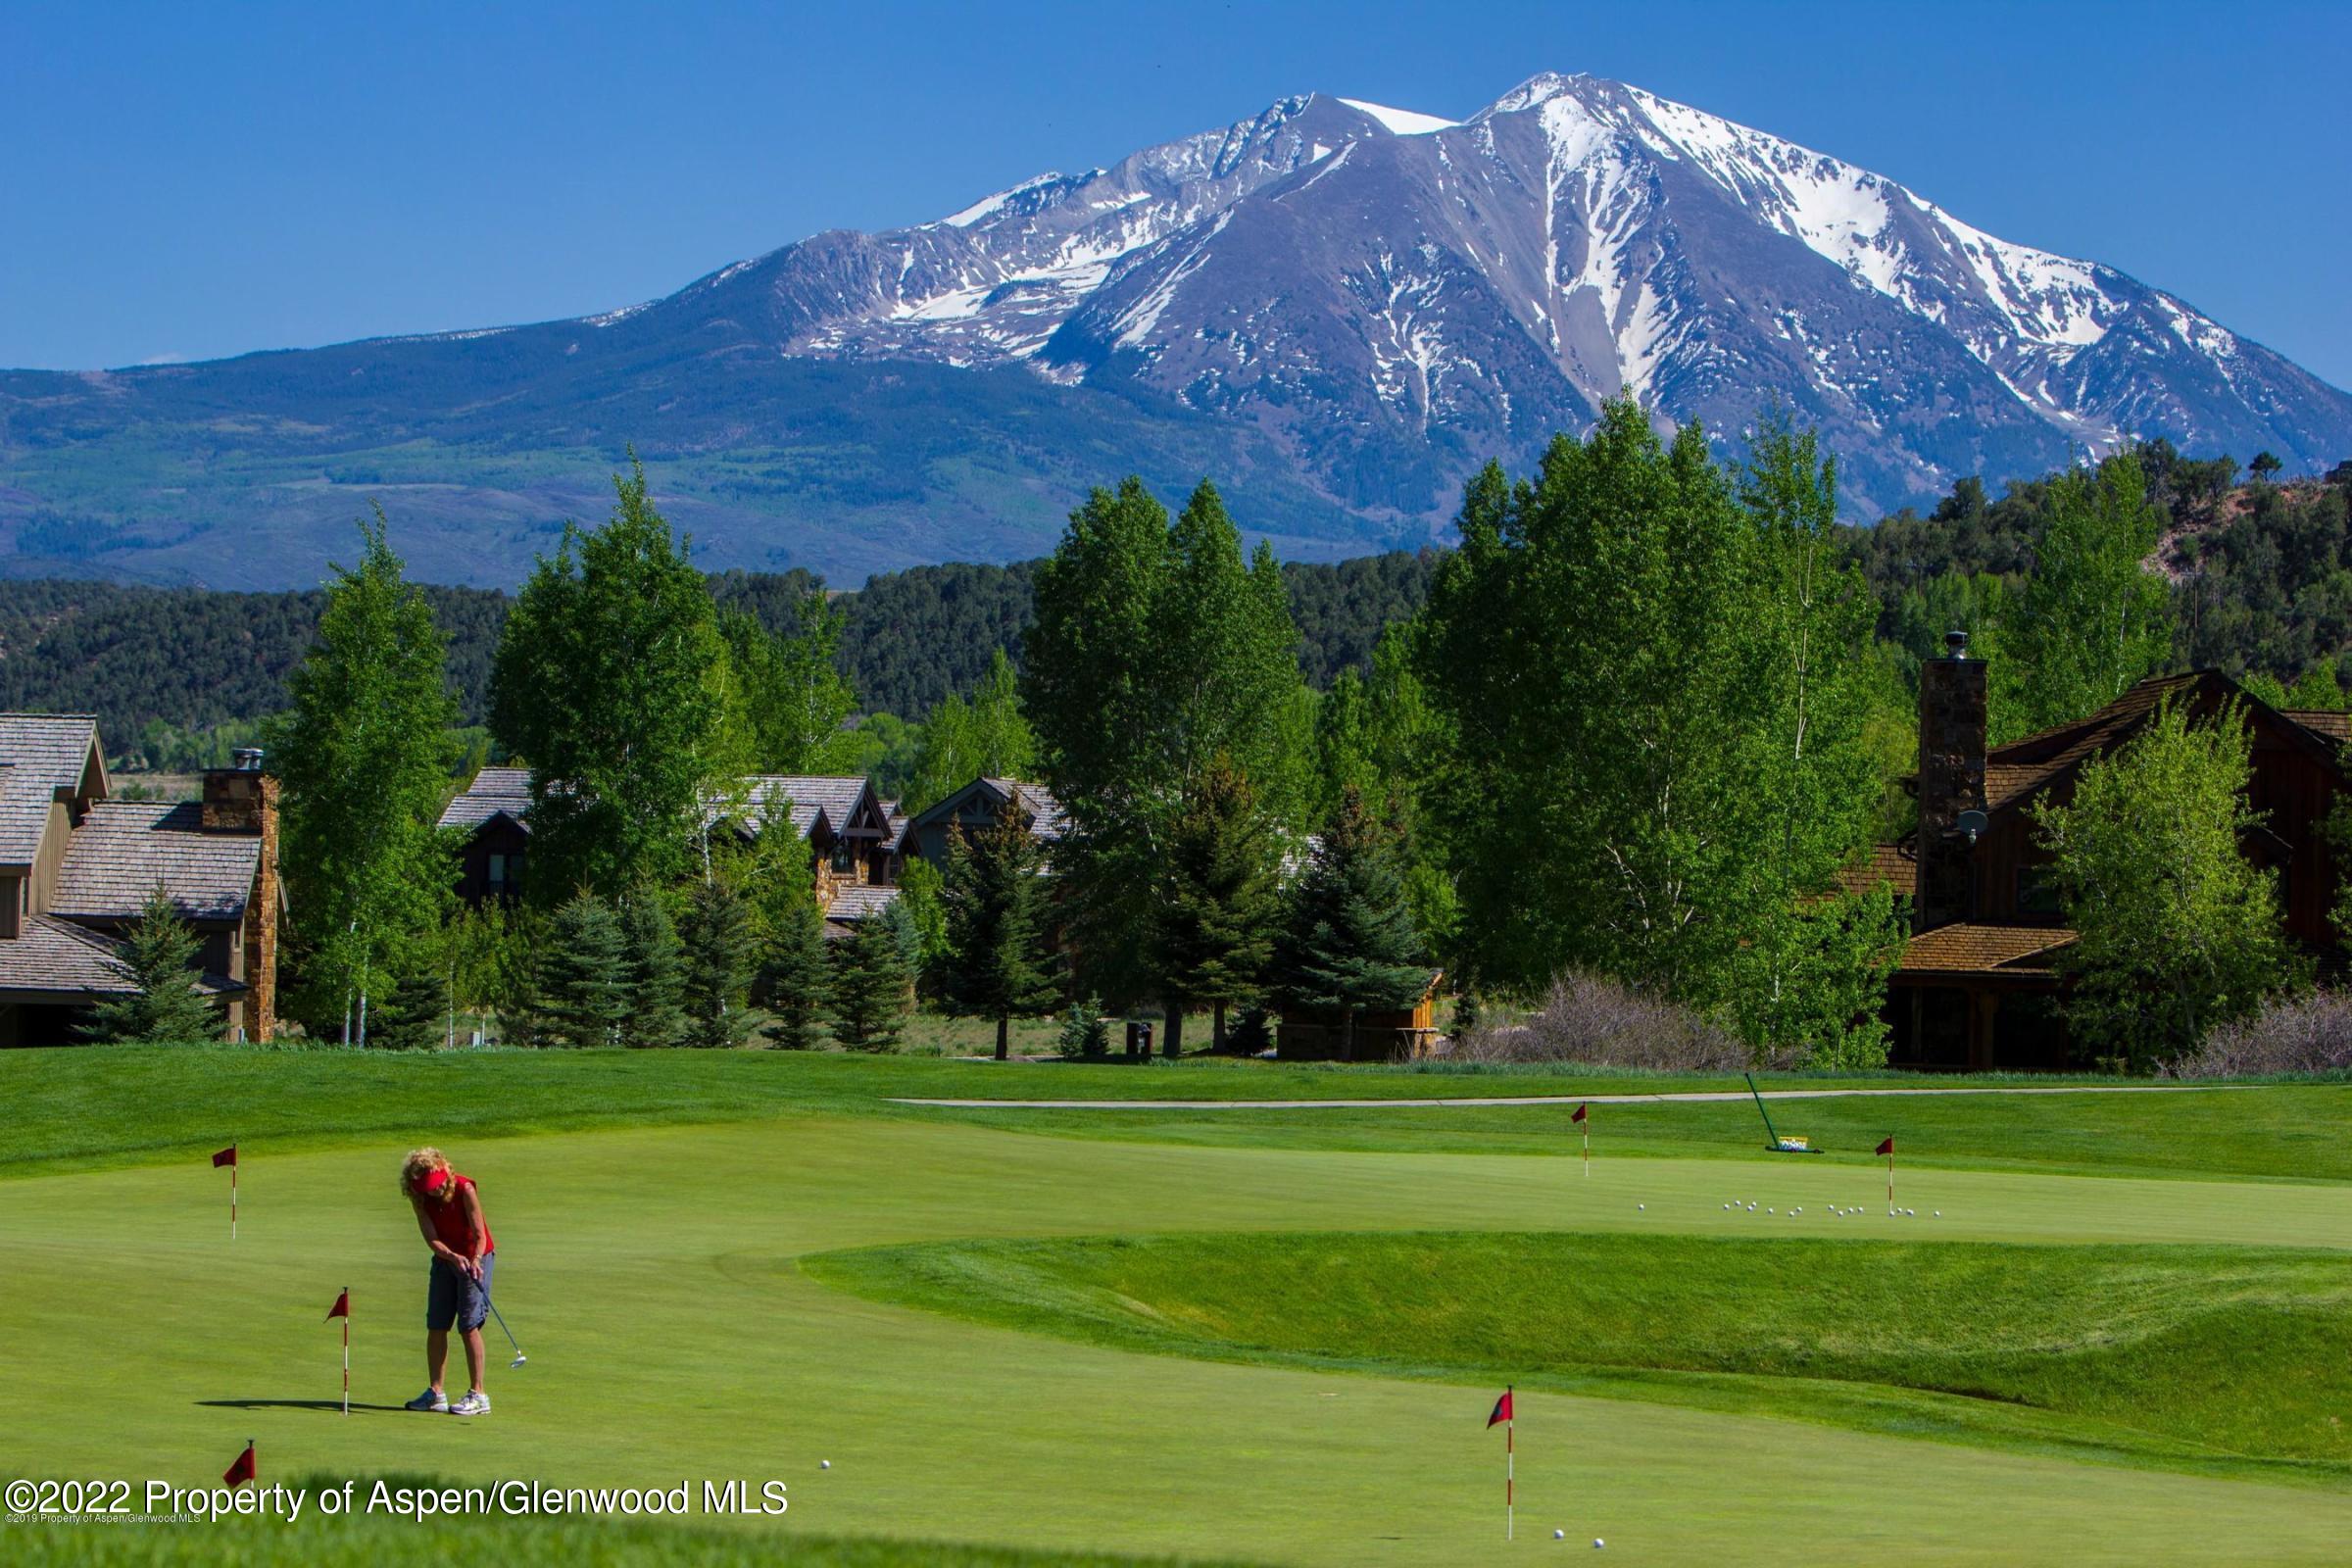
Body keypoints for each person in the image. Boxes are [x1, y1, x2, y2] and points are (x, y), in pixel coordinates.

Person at [399, 1147, 496, 1417]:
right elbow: (431, 1238)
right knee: (437, 1324)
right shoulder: (419, 1197)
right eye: (427, 1188)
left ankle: (479, 1394)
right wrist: (451, 1256)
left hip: (476, 1257)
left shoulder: (465, 1189)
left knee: (468, 1325)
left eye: (436, 1184)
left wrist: (474, 1259)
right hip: (446, 1259)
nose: (434, 1191)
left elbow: (480, 1235)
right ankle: (436, 1393)